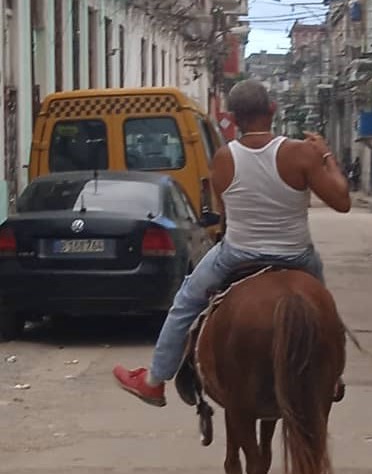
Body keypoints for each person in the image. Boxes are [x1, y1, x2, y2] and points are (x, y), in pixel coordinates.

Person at [112, 79, 351, 406]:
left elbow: (224, 214)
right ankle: (331, 375)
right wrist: (327, 157)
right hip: (296, 256)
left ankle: (154, 380)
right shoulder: (303, 153)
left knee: (185, 301)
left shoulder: (223, 158)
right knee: (324, 307)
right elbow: (342, 201)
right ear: (272, 109)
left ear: (234, 118)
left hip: (236, 255)